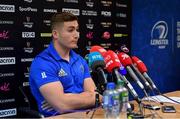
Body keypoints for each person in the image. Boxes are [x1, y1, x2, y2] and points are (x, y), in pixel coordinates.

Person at [29, 12, 102, 117]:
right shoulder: (42, 63)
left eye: (77, 30)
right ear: (55, 34)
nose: (76, 35)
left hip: (88, 115)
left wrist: (66, 100)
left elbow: (96, 97)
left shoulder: (80, 60)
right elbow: (62, 106)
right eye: (70, 30)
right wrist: (65, 102)